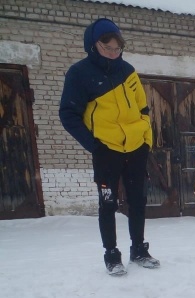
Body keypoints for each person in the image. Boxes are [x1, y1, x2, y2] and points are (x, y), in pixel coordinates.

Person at [59, 18, 159, 276]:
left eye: (117, 49)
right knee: (108, 203)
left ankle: (139, 250)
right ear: (94, 46)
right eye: (108, 48)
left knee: (138, 201)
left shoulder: (128, 70)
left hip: (136, 147)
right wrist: (95, 146)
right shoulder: (79, 73)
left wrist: (146, 140)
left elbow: (143, 109)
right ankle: (112, 255)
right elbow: (68, 114)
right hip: (107, 150)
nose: (114, 54)